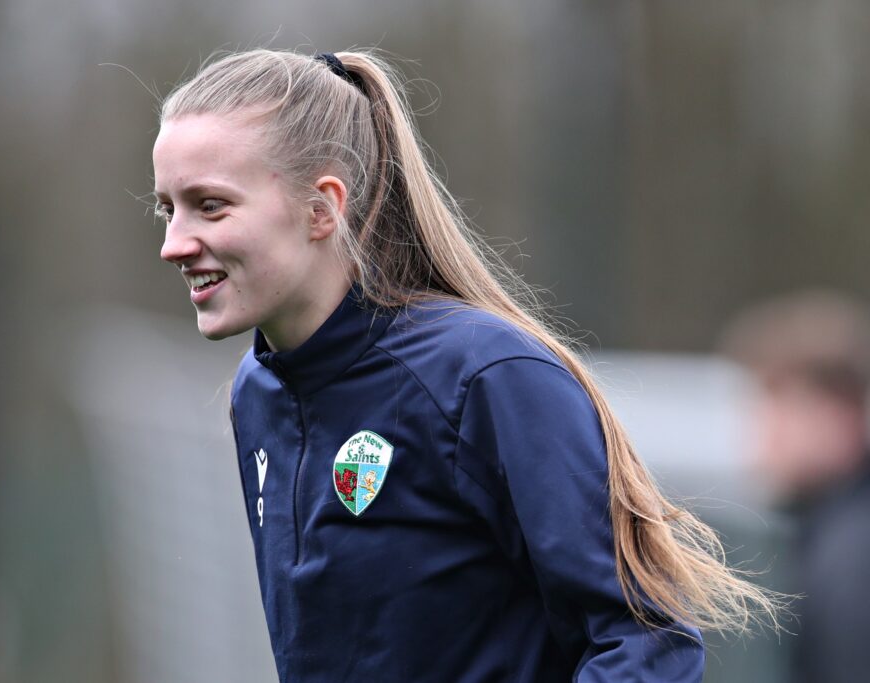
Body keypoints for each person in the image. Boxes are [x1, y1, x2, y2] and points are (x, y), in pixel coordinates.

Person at [151, 48, 780, 682]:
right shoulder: (257, 393)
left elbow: (648, 643)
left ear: (322, 208)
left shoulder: (484, 374)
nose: (174, 243)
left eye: (210, 205)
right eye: (166, 208)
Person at [721, 290, 870, 683]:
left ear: (839, 415)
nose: (763, 433)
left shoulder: (852, 553)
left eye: (779, 404)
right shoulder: (824, 529)